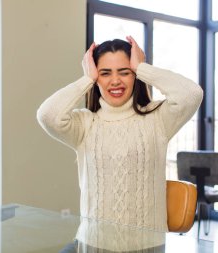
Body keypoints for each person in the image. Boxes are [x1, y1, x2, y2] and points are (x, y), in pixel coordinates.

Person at [37, 36, 203, 250]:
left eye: (125, 72)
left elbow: (191, 94)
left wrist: (143, 67)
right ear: (96, 76)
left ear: (135, 76)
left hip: (146, 247)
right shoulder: (85, 123)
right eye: (105, 73)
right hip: (94, 244)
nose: (115, 81)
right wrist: (86, 79)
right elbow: (47, 115)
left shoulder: (158, 119)